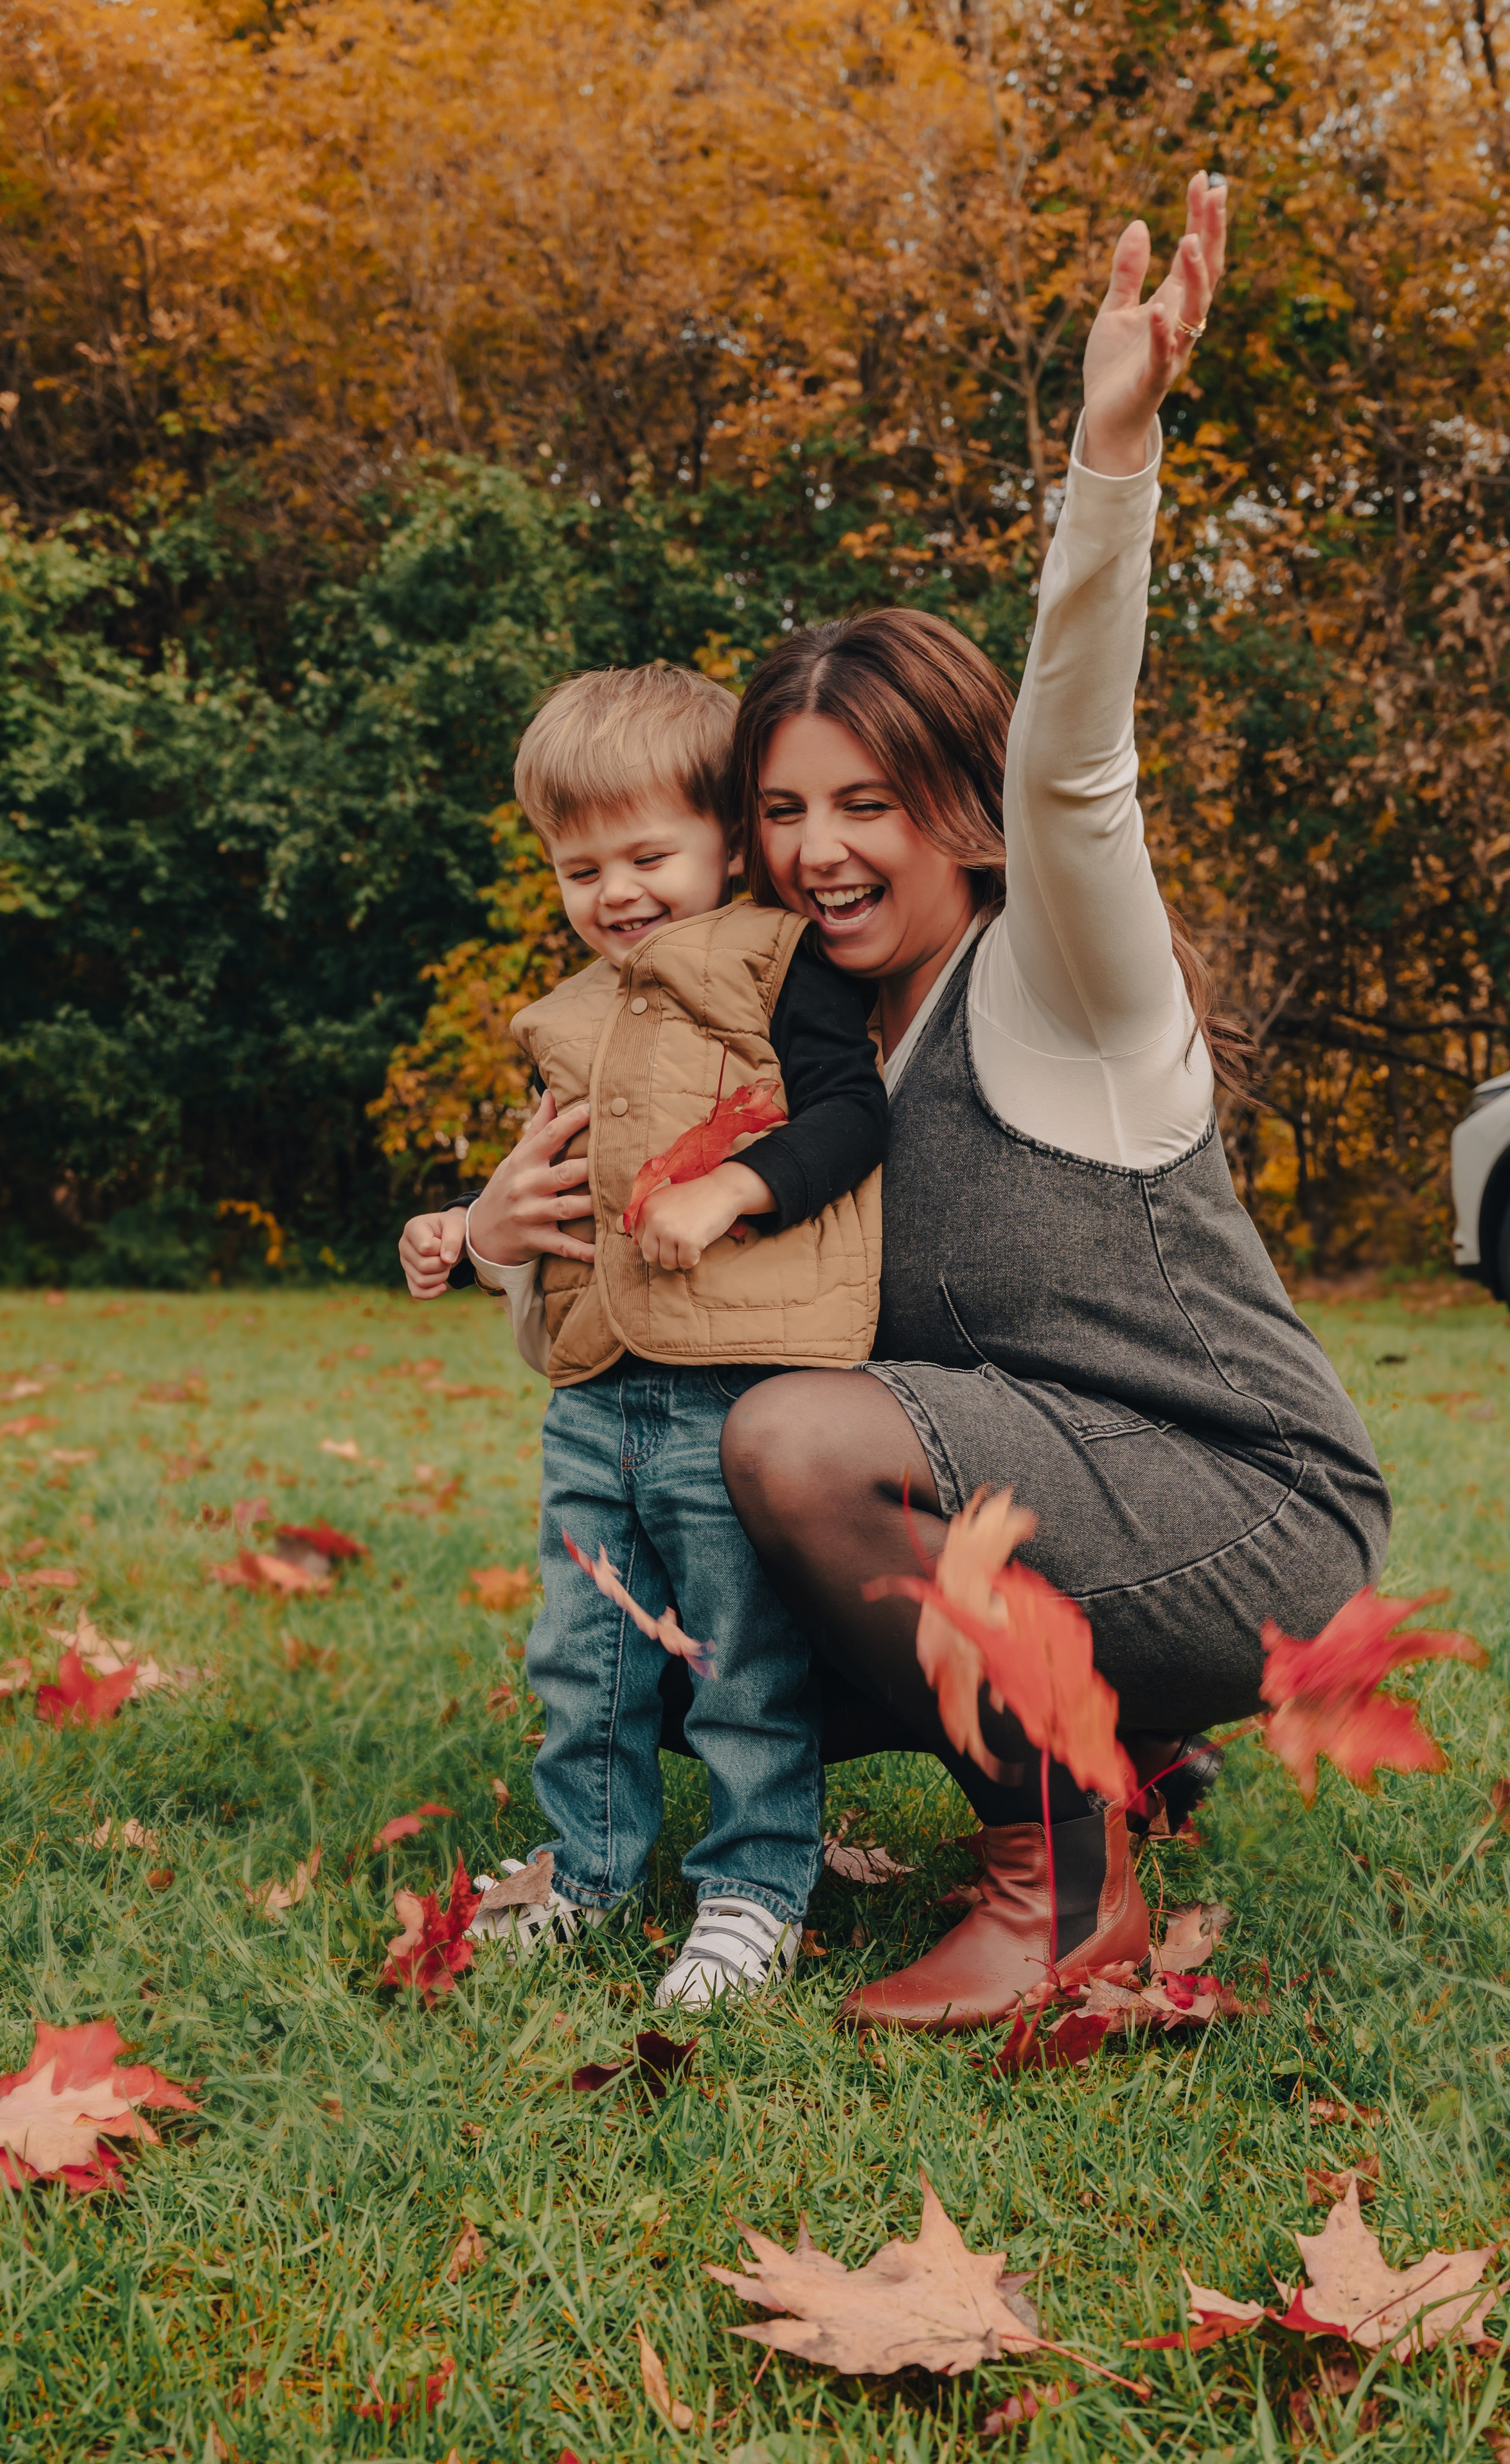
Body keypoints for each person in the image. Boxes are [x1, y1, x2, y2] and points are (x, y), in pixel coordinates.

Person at [704, 169, 1392, 2030]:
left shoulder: (1061, 976)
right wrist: (523, 1250)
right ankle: (1138, 1756)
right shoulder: (822, 1038)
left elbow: (1078, 769)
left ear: (959, 810)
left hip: (1255, 1515)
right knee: (686, 1554)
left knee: (799, 1449)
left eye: (866, 802)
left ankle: (1062, 1883)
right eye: (783, 810)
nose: (821, 851)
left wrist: (1114, 459)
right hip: (1070, 1503)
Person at [398, 665, 887, 2011]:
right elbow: (553, 1185)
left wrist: (737, 1184)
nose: (612, 892)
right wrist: (467, 1229)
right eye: (578, 867)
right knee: (583, 1651)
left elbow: (851, 1118)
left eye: (645, 855)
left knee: (734, 1654)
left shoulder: (774, 967)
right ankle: (591, 1865)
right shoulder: (571, 1018)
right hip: (593, 1398)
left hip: (734, 1390)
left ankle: (752, 1887)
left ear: (728, 842)